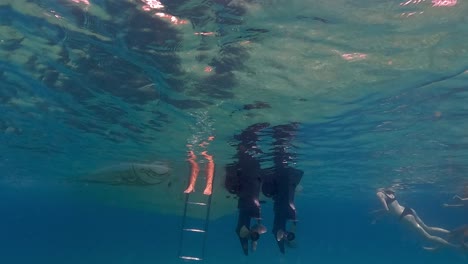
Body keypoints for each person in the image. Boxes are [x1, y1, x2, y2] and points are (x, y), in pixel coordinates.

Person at [375, 188, 459, 250]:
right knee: (427, 227)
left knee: (428, 237)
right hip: (408, 210)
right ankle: (451, 232)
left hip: (404, 217)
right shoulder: (388, 191)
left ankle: (455, 247)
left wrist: (377, 215)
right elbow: (392, 205)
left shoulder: (379, 194)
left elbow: (387, 209)